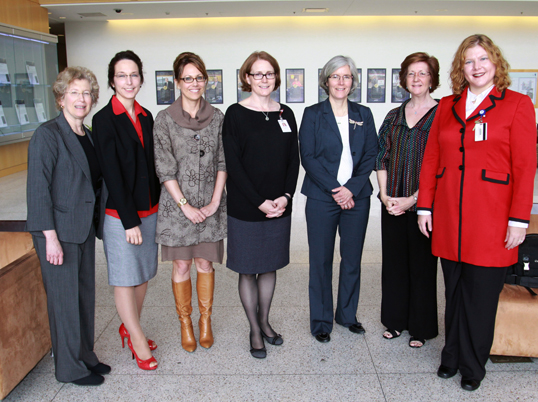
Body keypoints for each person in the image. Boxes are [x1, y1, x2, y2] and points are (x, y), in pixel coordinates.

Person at [417, 34, 536, 391]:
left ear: (495, 63)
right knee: (454, 293)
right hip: (450, 217)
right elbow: (432, 158)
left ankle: (473, 365)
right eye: (469, 61)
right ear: (461, 68)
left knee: (480, 298)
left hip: (493, 219)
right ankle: (450, 356)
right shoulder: (446, 106)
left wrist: (519, 220)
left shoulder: (517, 104)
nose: (476, 67)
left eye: (483, 59)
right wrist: (425, 205)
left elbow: (525, 166)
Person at [26, 67, 110, 386]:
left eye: (86, 93)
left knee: (84, 296)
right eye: (74, 93)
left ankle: (85, 356)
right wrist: (49, 237)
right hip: (57, 233)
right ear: (61, 98)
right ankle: (69, 368)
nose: (81, 99)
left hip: (82, 229)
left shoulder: (86, 134)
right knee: (63, 303)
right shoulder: (47, 135)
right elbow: (37, 189)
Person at [222, 51, 299, 359]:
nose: (264, 79)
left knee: (269, 266)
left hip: (279, 206)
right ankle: (254, 329)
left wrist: (286, 197)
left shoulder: (286, 113)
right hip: (246, 208)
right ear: (247, 78)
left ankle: (265, 322)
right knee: (248, 270)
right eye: (258, 74)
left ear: (276, 78)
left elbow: (294, 160)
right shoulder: (235, 113)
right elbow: (234, 164)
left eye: (269, 74)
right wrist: (259, 203)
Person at [299, 55, 378, 343]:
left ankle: (347, 314)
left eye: (346, 77)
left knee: (352, 259)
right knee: (320, 261)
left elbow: (371, 153)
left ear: (353, 82)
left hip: (357, 198)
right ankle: (321, 321)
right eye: (336, 76)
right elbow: (308, 157)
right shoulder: (312, 114)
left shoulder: (364, 114)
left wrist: (351, 189)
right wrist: (336, 189)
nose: (341, 82)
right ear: (326, 81)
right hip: (322, 197)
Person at [153, 52, 226, 353]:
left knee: (205, 262)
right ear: (177, 82)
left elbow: (223, 162)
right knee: (182, 263)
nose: (194, 83)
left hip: (211, 205)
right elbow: (164, 167)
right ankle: (185, 322)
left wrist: (214, 202)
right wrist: (185, 205)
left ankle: (205, 320)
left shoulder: (218, 117)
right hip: (177, 209)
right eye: (187, 78)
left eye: (199, 77)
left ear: (205, 80)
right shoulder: (165, 120)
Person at [92, 50, 160, 370]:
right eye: (122, 75)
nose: (129, 81)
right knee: (124, 277)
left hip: (150, 209)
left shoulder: (147, 116)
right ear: (112, 81)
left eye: (134, 75)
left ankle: (129, 325)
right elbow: (111, 173)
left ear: (141, 79)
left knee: (143, 273)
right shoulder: (104, 119)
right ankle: (136, 338)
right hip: (121, 215)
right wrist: (130, 221)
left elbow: (153, 166)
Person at [375, 52, 440, 348]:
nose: (416, 79)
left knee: (422, 266)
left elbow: (443, 166)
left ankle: (421, 328)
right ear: (404, 79)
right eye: (411, 73)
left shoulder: (442, 116)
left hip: (426, 206)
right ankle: (395, 321)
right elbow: (381, 158)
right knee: (394, 265)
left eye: (423, 73)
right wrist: (387, 196)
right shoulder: (393, 116)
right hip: (392, 205)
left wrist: (413, 200)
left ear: (432, 79)